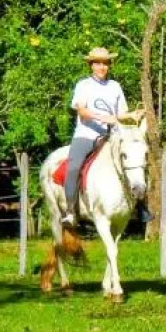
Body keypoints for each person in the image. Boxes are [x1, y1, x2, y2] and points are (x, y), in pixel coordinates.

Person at [61, 47, 130, 227]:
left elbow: (122, 113)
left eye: (105, 63)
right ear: (91, 65)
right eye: (98, 63)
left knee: (134, 163)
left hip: (113, 136)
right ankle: (70, 211)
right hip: (86, 135)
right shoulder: (83, 85)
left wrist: (133, 116)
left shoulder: (115, 86)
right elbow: (82, 111)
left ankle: (140, 207)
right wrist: (104, 118)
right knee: (74, 167)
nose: (102, 67)